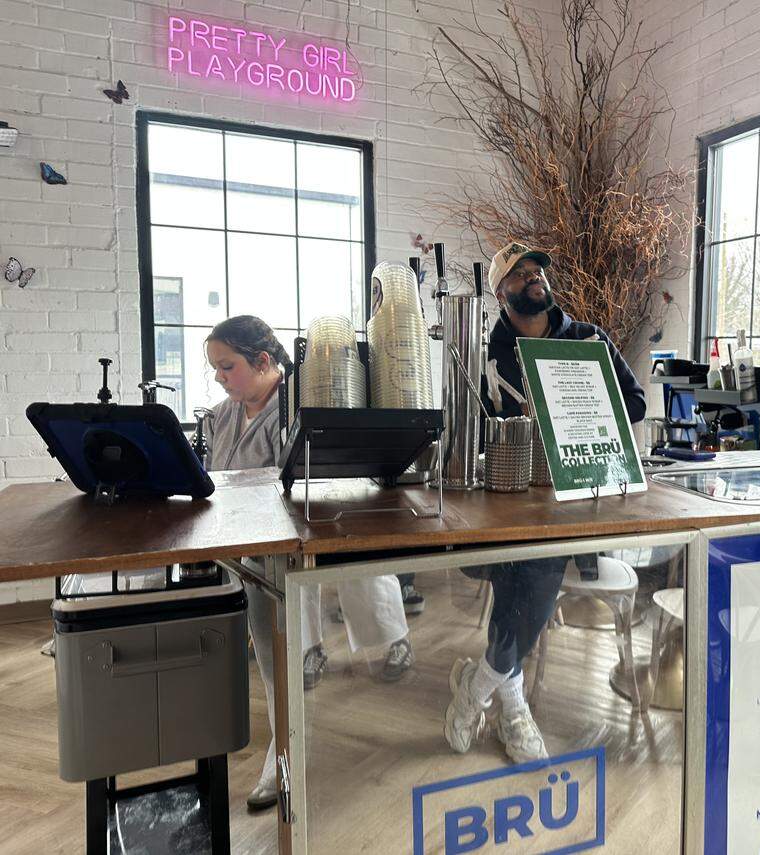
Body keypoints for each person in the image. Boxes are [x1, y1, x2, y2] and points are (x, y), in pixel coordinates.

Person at [444, 242, 646, 764]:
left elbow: (638, 402)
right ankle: (505, 699)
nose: (534, 277)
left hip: (574, 500)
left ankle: (482, 690)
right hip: (506, 500)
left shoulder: (588, 339)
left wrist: (586, 397)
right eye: (520, 273)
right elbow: (472, 430)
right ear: (501, 292)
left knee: (531, 569)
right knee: (519, 570)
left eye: (538, 270)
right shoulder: (487, 355)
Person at [202, 315, 414, 811]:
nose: (219, 377)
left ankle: (287, 752)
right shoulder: (224, 414)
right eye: (215, 368)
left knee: (344, 590)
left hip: (312, 527)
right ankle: (284, 741)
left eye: (226, 367)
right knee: (274, 644)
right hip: (254, 547)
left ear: (263, 362)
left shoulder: (303, 404)